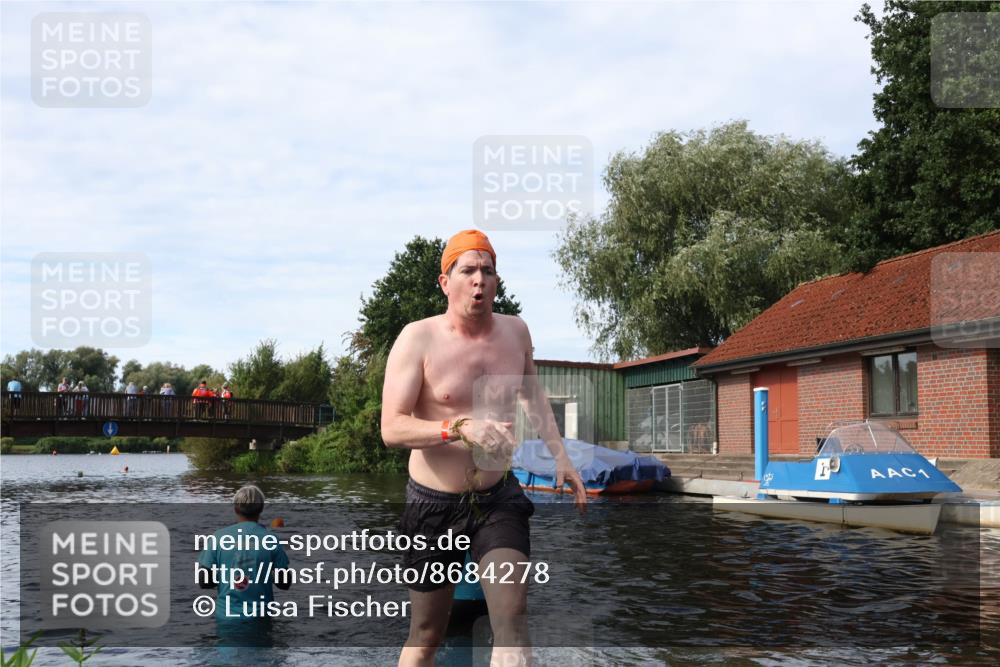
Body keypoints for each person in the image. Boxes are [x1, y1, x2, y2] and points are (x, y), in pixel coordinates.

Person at [380, 229, 587, 667]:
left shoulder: (515, 333)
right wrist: (458, 427)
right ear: (445, 281)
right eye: (468, 270)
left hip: (497, 499)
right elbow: (392, 428)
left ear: (496, 281)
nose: (479, 280)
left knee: (512, 619)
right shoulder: (417, 338)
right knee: (427, 633)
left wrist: (561, 458)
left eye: (487, 271)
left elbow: (533, 397)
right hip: (432, 504)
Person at [196, 485, 291, 645]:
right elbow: (284, 584)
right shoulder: (270, 539)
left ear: (235, 508)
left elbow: (205, 583)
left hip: (226, 618)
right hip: (260, 617)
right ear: (261, 509)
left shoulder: (218, 538)